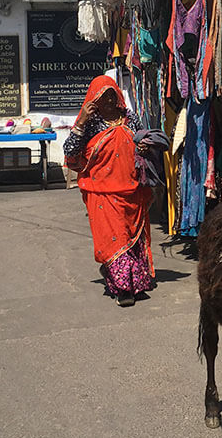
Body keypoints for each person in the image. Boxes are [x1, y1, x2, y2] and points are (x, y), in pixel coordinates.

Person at [64, 75, 161, 307]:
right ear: (94, 99)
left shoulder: (129, 117)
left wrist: (144, 145)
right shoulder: (91, 122)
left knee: (131, 236)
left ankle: (135, 283)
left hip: (132, 188)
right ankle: (121, 289)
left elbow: (141, 140)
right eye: (102, 97)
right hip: (101, 191)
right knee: (113, 239)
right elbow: (70, 150)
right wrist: (81, 122)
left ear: (117, 95)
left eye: (111, 95)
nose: (107, 101)